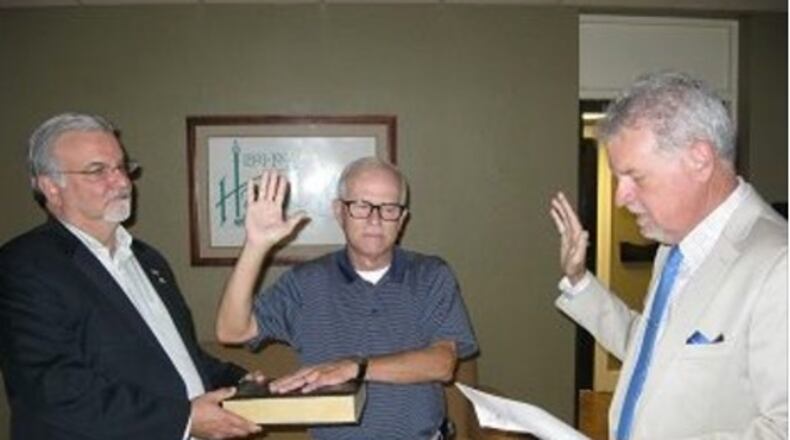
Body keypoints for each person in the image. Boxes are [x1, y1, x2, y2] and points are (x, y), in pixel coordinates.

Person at [550, 71, 787, 439]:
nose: (619, 198)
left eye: (635, 177)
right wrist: (580, 280)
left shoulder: (778, 264)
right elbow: (653, 353)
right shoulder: (675, 249)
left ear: (700, 160)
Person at [0, 113, 263, 440]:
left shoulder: (148, 259)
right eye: (98, 171)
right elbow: (53, 389)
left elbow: (177, 357)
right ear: (51, 186)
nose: (123, 182)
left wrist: (245, 382)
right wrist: (184, 420)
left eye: (122, 167)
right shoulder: (25, 265)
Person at [216, 157, 478, 439]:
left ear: (401, 220)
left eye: (388, 208)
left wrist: (355, 367)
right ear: (339, 211)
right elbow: (232, 331)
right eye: (362, 206)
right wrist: (255, 246)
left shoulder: (430, 275)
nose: (375, 219)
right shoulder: (305, 282)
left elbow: (442, 364)